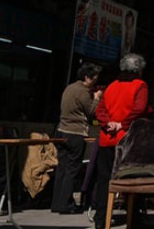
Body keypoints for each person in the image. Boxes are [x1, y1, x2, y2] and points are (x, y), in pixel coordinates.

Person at [94, 53, 152, 229]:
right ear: (139, 70)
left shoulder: (111, 86)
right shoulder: (140, 85)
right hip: (129, 139)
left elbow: (100, 110)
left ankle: (101, 218)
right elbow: (139, 109)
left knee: (104, 180)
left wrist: (108, 123)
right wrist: (122, 124)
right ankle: (134, 218)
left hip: (107, 138)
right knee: (132, 179)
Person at [51, 62, 102, 214]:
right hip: (76, 133)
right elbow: (91, 111)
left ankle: (57, 203)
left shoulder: (70, 88)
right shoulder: (83, 91)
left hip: (62, 131)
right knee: (72, 169)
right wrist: (97, 98)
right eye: (94, 79)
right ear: (87, 77)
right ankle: (66, 204)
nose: (95, 82)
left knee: (62, 168)